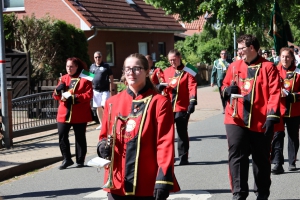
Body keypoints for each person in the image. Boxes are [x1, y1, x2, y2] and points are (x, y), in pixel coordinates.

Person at [97, 53, 180, 199]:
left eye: (136, 68)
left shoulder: (159, 102)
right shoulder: (112, 102)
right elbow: (104, 135)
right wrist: (102, 146)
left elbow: (165, 143)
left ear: (147, 71)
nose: (131, 73)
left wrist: (163, 178)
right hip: (117, 181)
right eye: (127, 69)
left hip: (146, 180)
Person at [221, 34, 281, 200]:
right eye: (238, 49)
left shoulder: (268, 67)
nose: (239, 52)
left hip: (260, 119)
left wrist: (271, 116)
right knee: (236, 155)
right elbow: (224, 86)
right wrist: (227, 91)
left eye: (241, 48)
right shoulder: (233, 66)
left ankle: (262, 193)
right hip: (235, 118)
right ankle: (239, 193)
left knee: (261, 158)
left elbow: (274, 92)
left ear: (252, 48)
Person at [53, 57, 93, 170]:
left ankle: (80, 160)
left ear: (77, 67)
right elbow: (55, 96)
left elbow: (89, 95)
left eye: (71, 66)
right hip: (63, 113)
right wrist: (57, 90)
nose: (69, 69)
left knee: (80, 137)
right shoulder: (63, 78)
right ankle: (67, 159)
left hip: (79, 113)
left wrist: (75, 98)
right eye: (67, 66)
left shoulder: (86, 77)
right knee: (62, 136)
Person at [162, 49, 197, 165]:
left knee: (181, 132)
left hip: (182, 107)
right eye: (170, 60)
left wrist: (192, 102)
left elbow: (192, 86)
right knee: (167, 134)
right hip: (167, 108)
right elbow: (162, 86)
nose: (172, 62)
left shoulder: (188, 71)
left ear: (179, 57)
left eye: (174, 59)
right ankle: (169, 157)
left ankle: (183, 156)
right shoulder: (166, 72)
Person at [271, 47, 300, 174]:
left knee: (293, 136)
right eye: (282, 56)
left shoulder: (299, 72)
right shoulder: (274, 71)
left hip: (294, 110)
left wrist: (293, 96)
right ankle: (277, 162)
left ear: (292, 58)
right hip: (278, 109)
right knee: (277, 135)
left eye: (287, 57)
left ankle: (292, 161)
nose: (285, 59)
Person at [90, 51, 114, 130]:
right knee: (98, 107)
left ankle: (108, 123)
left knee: (105, 106)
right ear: (94, 58)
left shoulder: (106, 66)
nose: (98, 58)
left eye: (99, 57)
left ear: (102, 57)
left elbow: (111, 78)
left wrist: (112, 90)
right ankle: (102, 124)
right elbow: (90, 78)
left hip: (105, 90)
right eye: (96, 57)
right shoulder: (92, 66)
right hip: (95, 90)